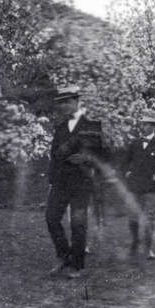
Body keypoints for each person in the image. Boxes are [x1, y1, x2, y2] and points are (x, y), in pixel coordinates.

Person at [45, 85, 105, 279]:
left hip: (81, 181)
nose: (64, 106)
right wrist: (52, 180)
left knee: (78, 223)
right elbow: (54, 154)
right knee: (51, 217)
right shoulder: (60, 128)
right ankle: (64, 257)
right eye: (62, 103)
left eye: (68, 101)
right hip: (61, 181)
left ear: (78, 101)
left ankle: (77, 265)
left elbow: (105, 155)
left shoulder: (92, 125)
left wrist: (86, 157)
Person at [122, 109, 155, 258]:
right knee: (132, 216)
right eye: (142, 124)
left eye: (146, 124)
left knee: (150, 217)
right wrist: (127, 173)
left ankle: (148, 248)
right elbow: (124, 162)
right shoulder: (134, 144)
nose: (143, 127)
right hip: (134, 186)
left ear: (154, 126)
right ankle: (135, 243)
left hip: (150, 187)